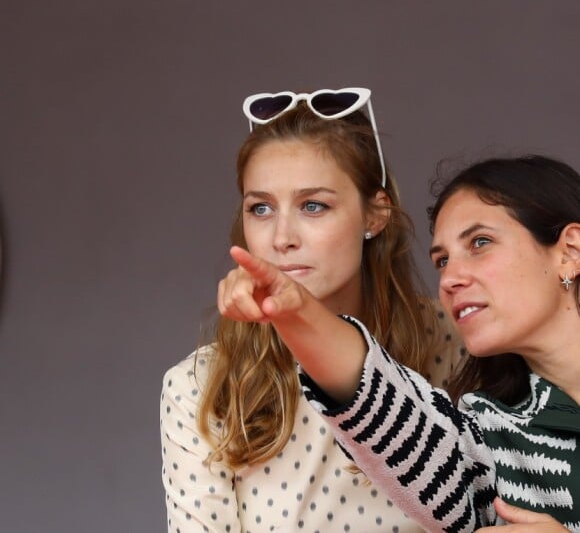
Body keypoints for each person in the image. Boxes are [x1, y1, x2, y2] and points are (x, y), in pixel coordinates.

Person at [218, 154, 579, 532]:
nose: (450, 278)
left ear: (570, 250)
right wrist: (294, 310)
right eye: (441, 261)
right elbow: (386, 413)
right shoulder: (495, 441)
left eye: (480, 242)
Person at [160, 88, 466, 532]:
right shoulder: (201, 385)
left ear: (375, 215)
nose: (282, 237)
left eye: (313, 205)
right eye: (261, 208)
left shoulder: (454, 339)